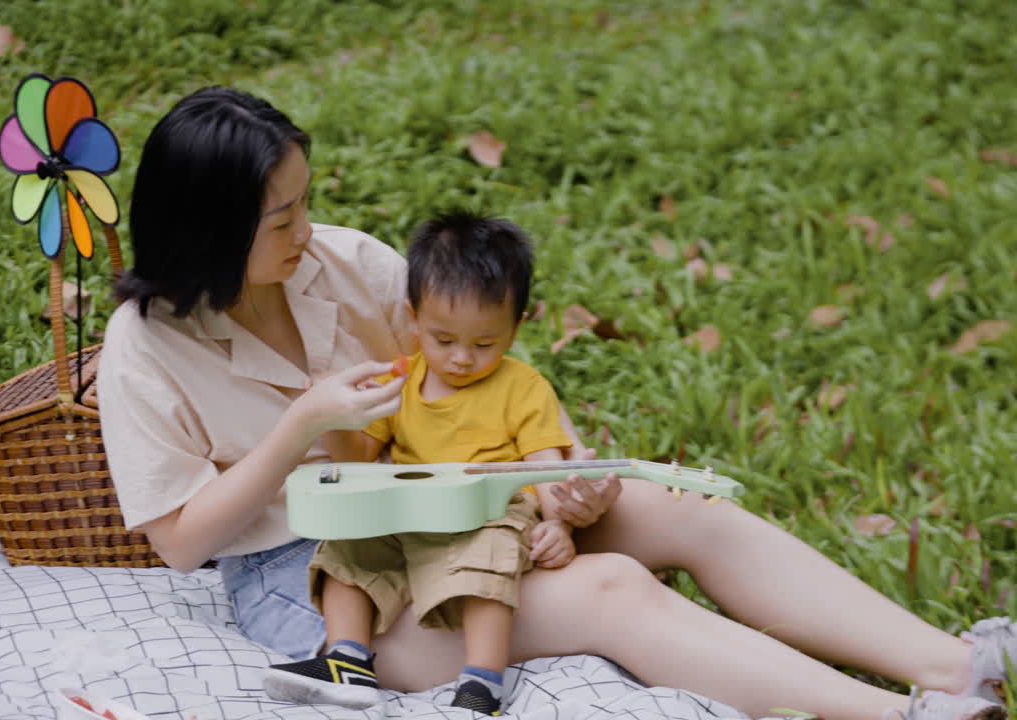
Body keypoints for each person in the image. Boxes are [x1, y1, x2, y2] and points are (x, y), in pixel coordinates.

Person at [96, 85, 1014, 720]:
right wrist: (304, 421)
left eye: (305, 202)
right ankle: (901, 713)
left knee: (676, 513)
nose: (308, 228)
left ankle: (956, 662)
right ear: (211, 231)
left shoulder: (339, 261)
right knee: (609, 591)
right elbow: (179, 542)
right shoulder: (147, 347)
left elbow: (481, 369)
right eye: (281, 218)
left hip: (446, 490)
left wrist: (558, 475)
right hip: (322, 574)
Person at [262, 212, 579, 715]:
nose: (460, 359)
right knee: (347, 548)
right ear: (414, 318)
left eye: (483, 344)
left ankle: (482, 682)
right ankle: (348, 659)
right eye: (443, 339)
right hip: (409, 509)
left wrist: (559, 522)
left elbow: (544, 466)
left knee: (487, 563)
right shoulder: (403, 381)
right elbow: (361, 460)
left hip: (488, 509)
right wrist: (332, 420)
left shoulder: (521, 387)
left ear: (516, 328)